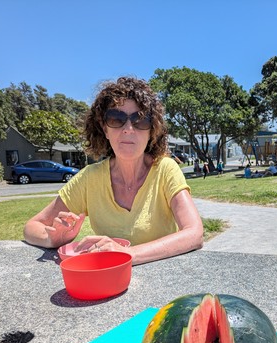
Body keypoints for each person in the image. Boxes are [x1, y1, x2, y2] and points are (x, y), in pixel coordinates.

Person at [23, 77, 204, 265]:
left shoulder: (165, 170)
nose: (128, 129)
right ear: (105, 128)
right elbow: (31, 227)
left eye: (140, 120)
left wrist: (127, 254)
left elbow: (194, 233)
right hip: (107, 285)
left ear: (152, 130)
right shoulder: (89, 178)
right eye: (116, 119)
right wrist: (53, 238)